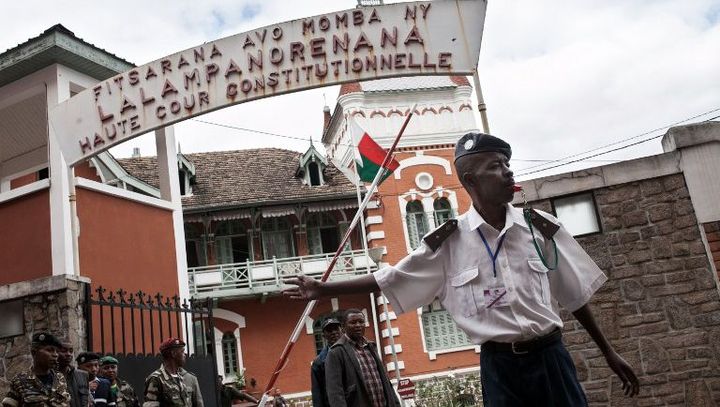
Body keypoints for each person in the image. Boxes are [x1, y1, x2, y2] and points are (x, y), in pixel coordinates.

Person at [285, 133, 641, 406]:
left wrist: (608, 351)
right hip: (501, 369)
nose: (508, 172)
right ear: (470, 181)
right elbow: (389, 278)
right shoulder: (448, 243)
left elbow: (574, 295)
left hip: (552, 359)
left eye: (507, 163)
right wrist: (323, 289)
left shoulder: (539, 227)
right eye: (496, 166)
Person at [323, 309, 400, 407]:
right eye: (353, 322)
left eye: (361, 322)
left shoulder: (371, 347)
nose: (358, 325)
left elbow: (386, 382)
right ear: (343, 327)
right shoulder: (336, 353)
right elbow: (335, 394)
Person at [2, 332, 72, 406]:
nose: (55, 355)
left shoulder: (60, 378)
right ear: (34, 352)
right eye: (49, 350)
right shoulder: (19, 381)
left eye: (57, 351)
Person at [143, 338, 202, 407]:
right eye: (182, 352)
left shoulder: (180, 377)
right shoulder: (156, 379)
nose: (185, 355)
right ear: (173, 354)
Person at [310, 317, 342, 407]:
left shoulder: (354, 351)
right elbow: (317, 393)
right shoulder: (318, 362)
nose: (333, 332)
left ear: (341, 330)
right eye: (329, 330)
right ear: (324, 335)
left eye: (336, 329)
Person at [58, 342, 90, 407]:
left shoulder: (83, 375)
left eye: (71, 351)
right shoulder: (51, 375)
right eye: (64, 351)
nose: (68, 354)